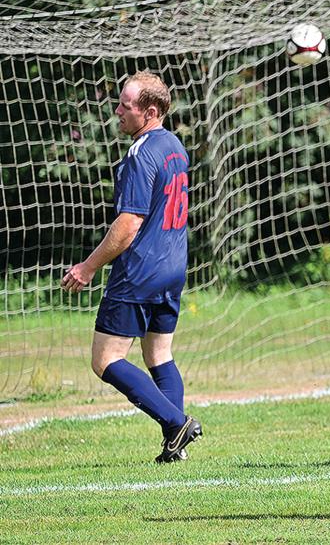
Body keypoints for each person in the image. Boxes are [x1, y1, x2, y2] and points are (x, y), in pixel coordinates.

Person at [61, 71, 201, 464]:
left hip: (140, 270)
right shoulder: (174, 145)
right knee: (159, 355)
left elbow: (129, 223)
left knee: (105, 360)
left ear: (149, 111)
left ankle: (176, 422)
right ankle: (174, 447)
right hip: (173, 266)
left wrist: (88, 267)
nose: (117, 110)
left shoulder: (142, 153)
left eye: (126, 104)